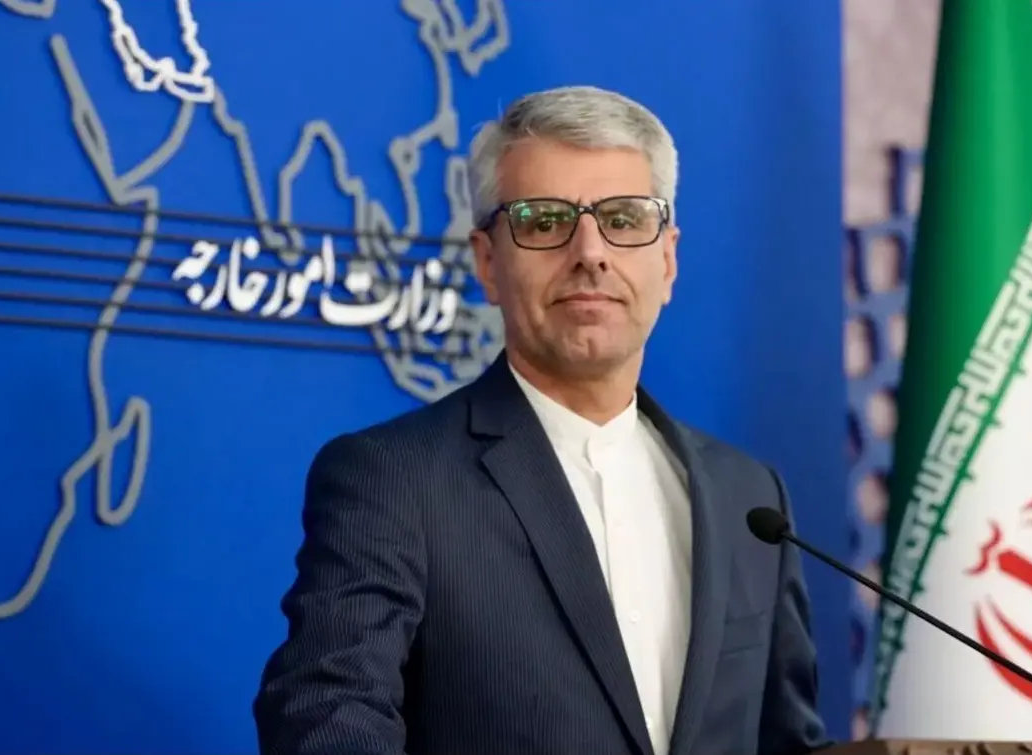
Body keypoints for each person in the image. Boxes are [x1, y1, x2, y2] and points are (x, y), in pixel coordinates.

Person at [253, 85, 830, 755]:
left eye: (623, 218)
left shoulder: (750, 499)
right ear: (487, 262)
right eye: (544, 220)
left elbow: (788, 739)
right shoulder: (394, 479)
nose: (590, 252)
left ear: (667, 260)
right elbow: (326, 716)